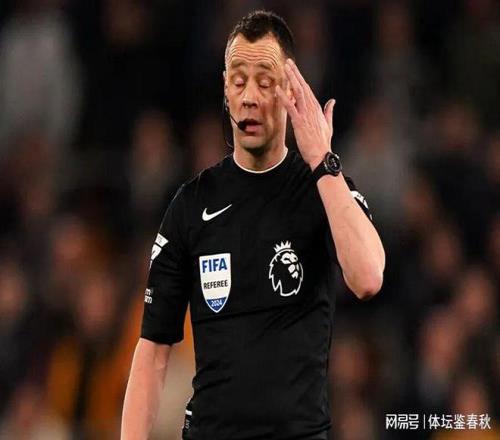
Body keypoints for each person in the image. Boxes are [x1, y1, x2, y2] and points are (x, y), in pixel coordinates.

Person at [121, 10, 385, 440]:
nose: (249, 96)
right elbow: (152, 351)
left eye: (265, 82)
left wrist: (323, 161)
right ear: (225, 90)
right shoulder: (192, 205)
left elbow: (368, 277)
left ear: (290, 91)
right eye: (238, 81)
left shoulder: (323, 189)